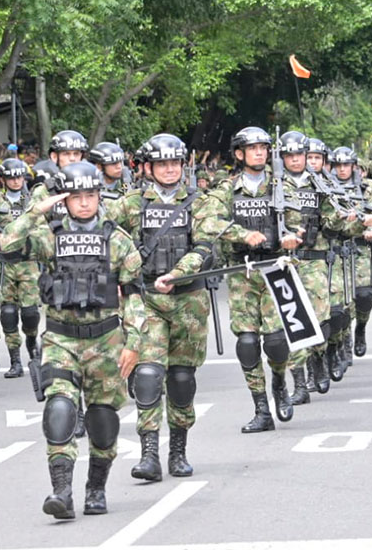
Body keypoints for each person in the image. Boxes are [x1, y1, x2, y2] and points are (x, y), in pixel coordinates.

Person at [0, 162, 146, 518]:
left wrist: (134, 342)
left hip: (107, 339)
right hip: (61, 338)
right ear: (64, 199)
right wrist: (37, 210)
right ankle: (61, 492)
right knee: (60, 409)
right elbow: (6, 244)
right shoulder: (49, 235)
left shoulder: (117, 240)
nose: (83, 203)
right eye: (75, 197)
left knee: (102, 418)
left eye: (89, 196)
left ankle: (96, 488)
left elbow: (136, 295)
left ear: (99, 196)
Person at [114, 133, 215, 481]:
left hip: (189, 300)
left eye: (175, 163)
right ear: (147, 168)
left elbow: (205, 247)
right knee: (147, 375)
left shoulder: (202, 202)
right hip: (147, 300)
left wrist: (177, 273)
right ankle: (149, 455)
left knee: (182, 379)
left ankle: (178, 451)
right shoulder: (129, 204)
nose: (170, 169)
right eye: (162, 164)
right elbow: (111, 242)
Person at [200, 127, 297, 432]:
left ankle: (279, 380)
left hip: (275, 267)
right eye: (252, 148)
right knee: (247, 342)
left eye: (263, 148)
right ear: (239, 154)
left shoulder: (282, 187)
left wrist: (294, 237)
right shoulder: (227, 189)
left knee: (277, 341)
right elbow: (206, 222)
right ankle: (261, 408)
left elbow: (299, 221)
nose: (259, 153)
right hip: (242, 272)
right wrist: (242, 234)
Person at [272, 131, 344, 406]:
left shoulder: (319, 184)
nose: (295, 160)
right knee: (292, 321)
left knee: (319, 319)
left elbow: (333, 221)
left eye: (299, 155)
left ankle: (319, 358)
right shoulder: (274, 185)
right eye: (289, 155)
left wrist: (347, 219)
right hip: (286, 260)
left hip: (315, 259)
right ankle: (299, 383)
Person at [327, 147, 372, 360]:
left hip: (359, 247)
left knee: (364, 296)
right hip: (335, 248)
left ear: (353, 166)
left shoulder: (365, 187)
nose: (342, 169)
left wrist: (371, 226)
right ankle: (343, 338)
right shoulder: (325, 186)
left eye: (346, 165)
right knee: (340, 304)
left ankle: (361, 327)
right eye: (338, 165)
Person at [0, 158, 40, 378]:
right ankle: (14, 360)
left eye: (19, 177)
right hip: (5, 263)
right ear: (3, 179)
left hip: (28, 262)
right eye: (11, 177)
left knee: (30, 313)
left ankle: (32, 344)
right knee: (9, 313)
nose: (15, 181)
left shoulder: (32, 201)